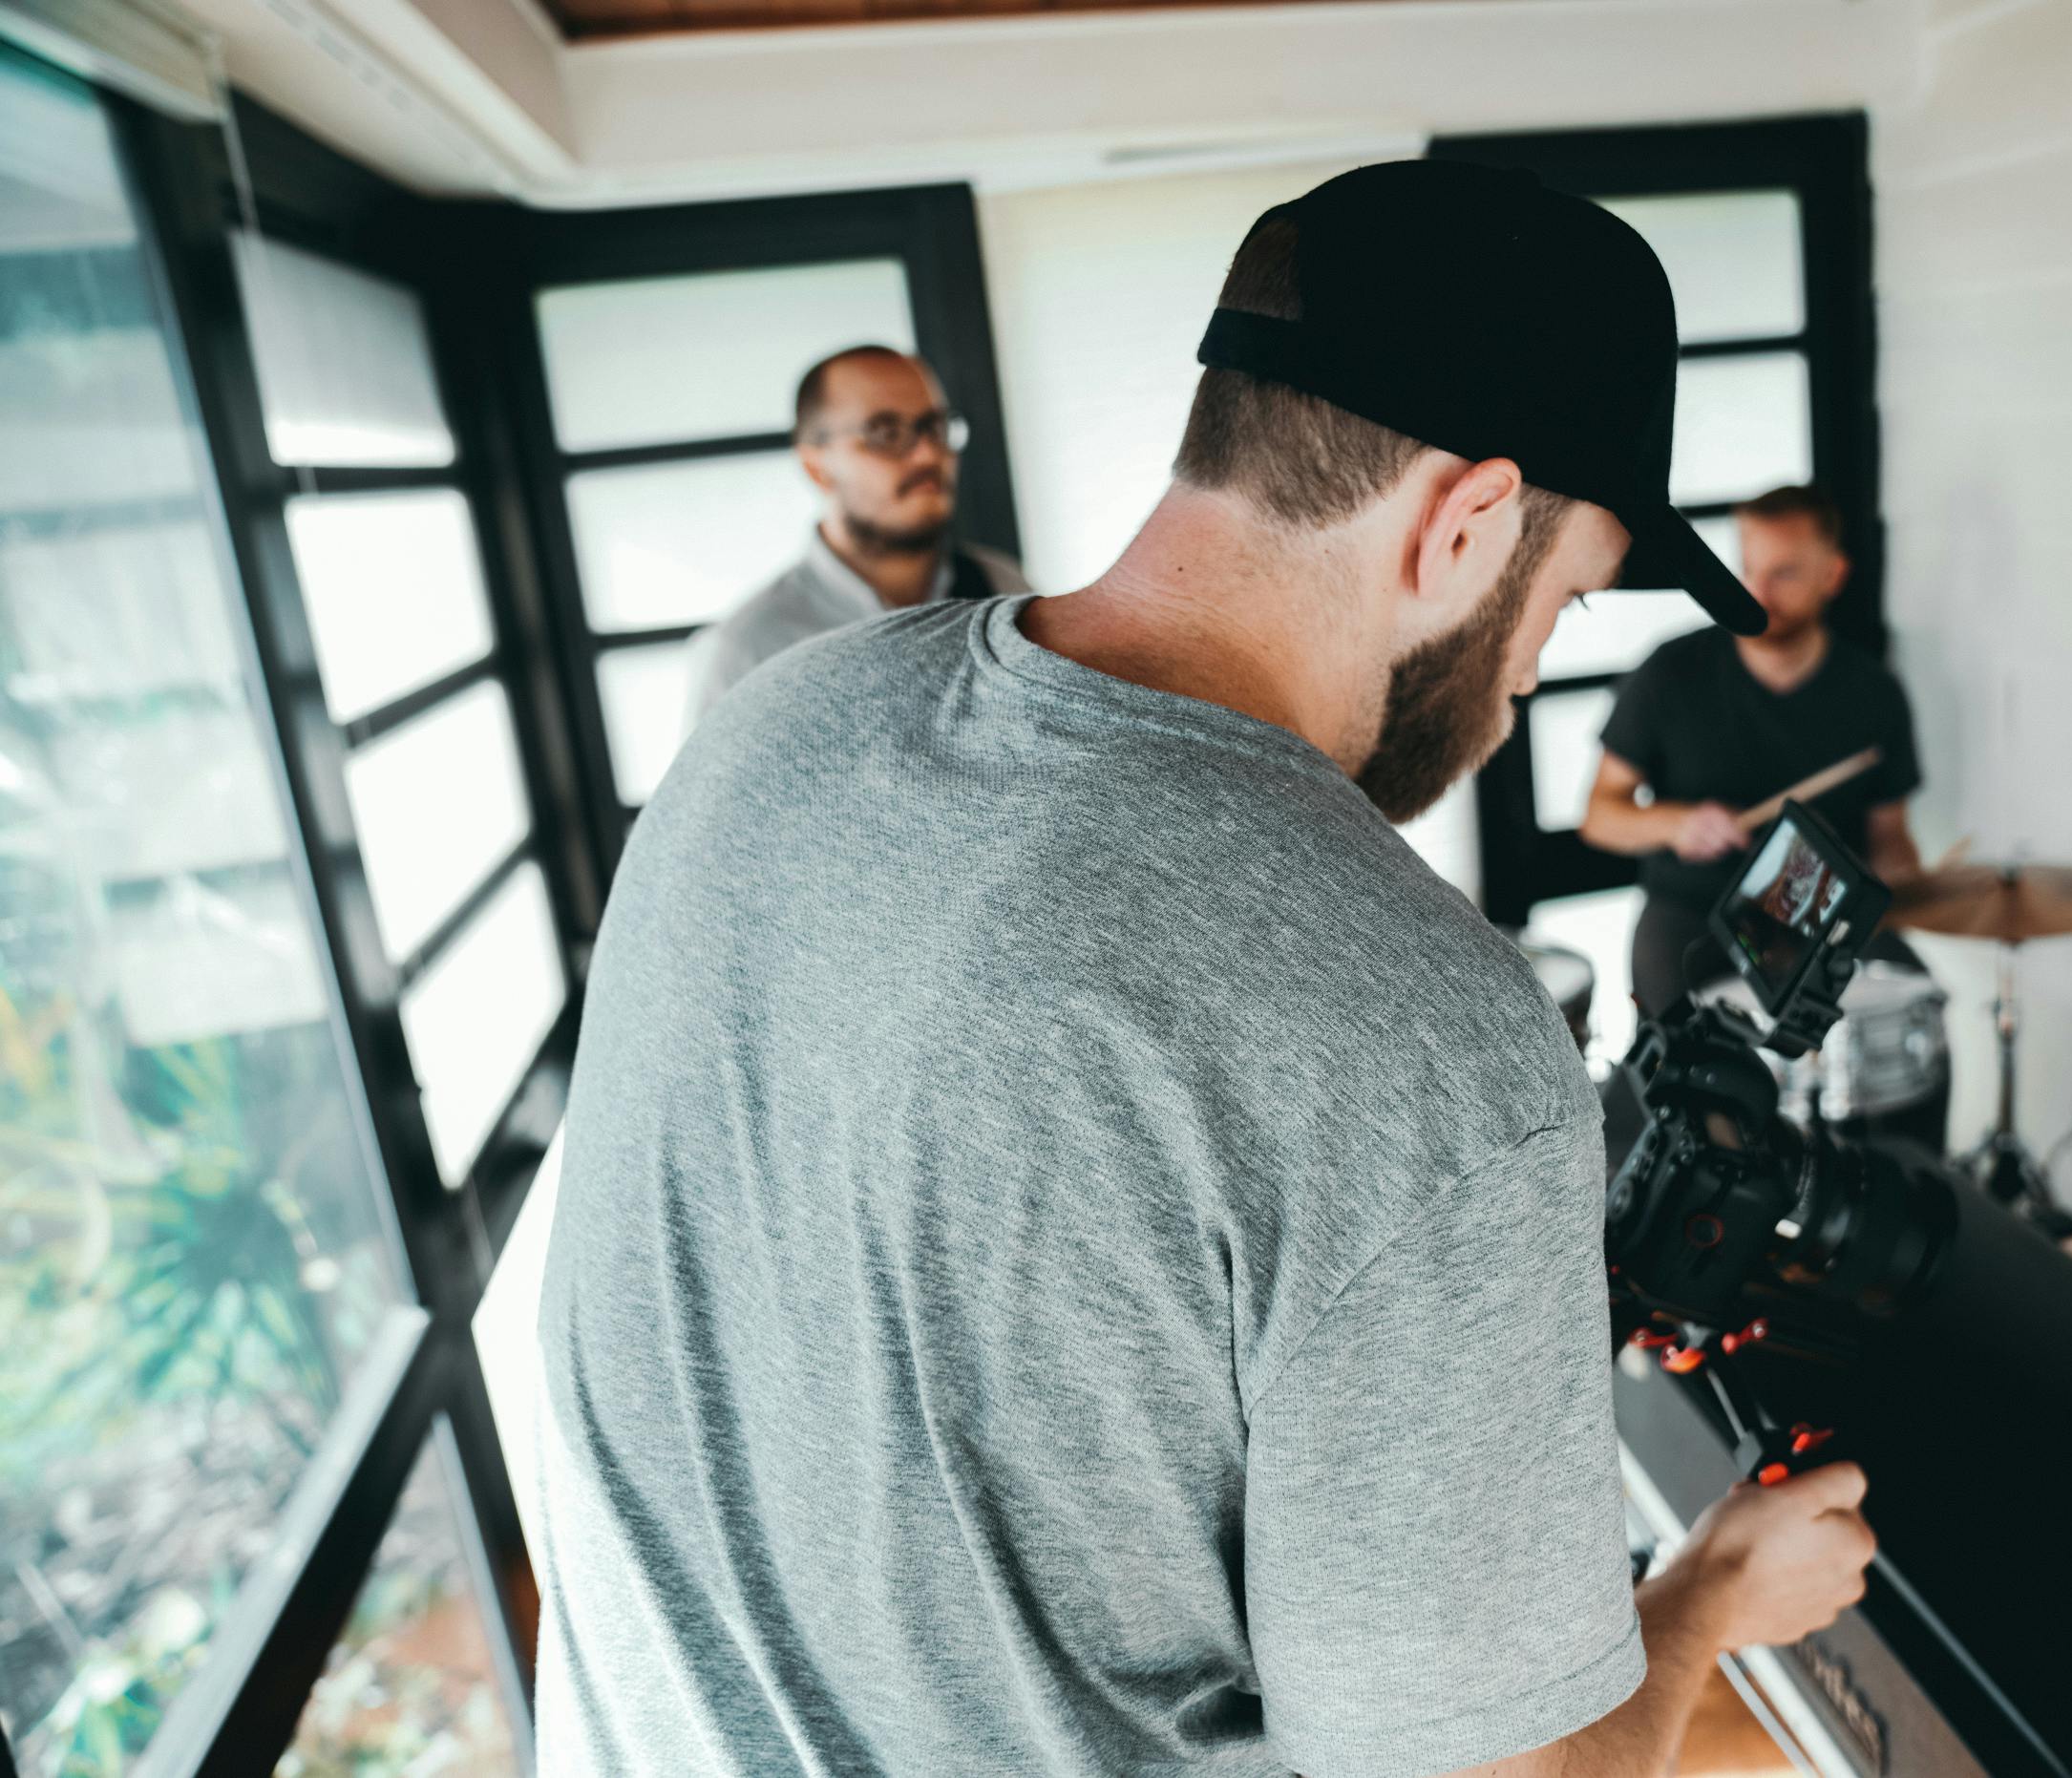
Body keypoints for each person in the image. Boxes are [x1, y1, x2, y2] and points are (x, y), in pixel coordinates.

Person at [535, 159, 1876, 1777]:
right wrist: (1709, 1594)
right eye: (1567, 594)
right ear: (1462, 523)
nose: (1527, 678)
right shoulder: (1421, 1032)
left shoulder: (769, 725)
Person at [1579, 484, 1925, 1019]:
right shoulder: (1670, 673)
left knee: (1911, 1007)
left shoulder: (1874, 694)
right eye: (1748, 569)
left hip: (1815, 919)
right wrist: (1677, 824)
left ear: (1832, 575)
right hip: (1691, 912)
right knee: (1681, 1044)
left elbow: (1889, 836)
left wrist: (1905, 884)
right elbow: (1600, 815)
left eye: (1783, 573)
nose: (1757, 591)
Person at [682, 344, 1029, 726]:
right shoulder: (750, 650)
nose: (928, 456)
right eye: (885, 433)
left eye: (935, 427)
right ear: (817, 467)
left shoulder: (1005, 589)